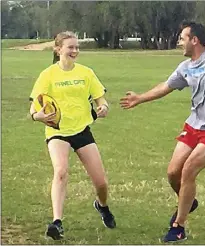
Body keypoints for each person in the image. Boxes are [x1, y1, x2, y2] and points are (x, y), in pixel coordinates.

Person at [120, 22, 205, 242]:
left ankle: (178, 227)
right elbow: (166, 86)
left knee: (188, 170)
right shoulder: (186, 67)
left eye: (182, 38)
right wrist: (140, 98)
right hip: (193, 125)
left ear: (194, 40)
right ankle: (188, 201)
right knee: (172, 173)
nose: (180, 42)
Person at [29, 31, 116, 240]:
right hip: (57, 132)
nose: (75, 51)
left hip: (82, 131)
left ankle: (102, 206)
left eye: (77, 47)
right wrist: (38, 116)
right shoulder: (47, 75)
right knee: (60, 172)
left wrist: (103, 108)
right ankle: (57, 222)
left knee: (101, 183)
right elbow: (34, 109)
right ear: (58, 49)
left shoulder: (86, 73)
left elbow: (101, 101)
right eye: (70, 47)